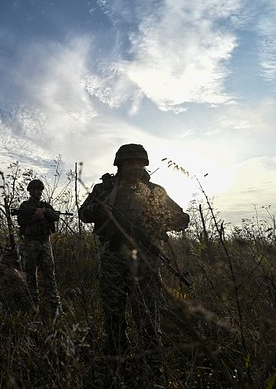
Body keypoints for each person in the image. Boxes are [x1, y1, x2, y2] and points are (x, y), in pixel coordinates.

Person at [78, 144, 189, 385]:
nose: (136, 167)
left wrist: (156, 219)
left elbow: (182, 219)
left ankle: (153, 369)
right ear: (120, 164)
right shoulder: (105, 188)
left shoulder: (154, 191)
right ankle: (118, 365)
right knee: (112, 315)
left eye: (140, 163)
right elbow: (83, 213)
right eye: (131, 163)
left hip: (145, 260)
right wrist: (101, 210)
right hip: (112, 258)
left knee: (148, 316)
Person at [16, 179, 62, 318]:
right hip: (30, 243)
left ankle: (54, 305)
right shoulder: (25, 206)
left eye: (40, 190)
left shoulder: (45, 205)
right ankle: (33, 304)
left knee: (49, 274)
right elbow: (20, 221)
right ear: (30, 191)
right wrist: (35, 216)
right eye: (36, 190)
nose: (39, 192)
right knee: (30, 274)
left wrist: (45, 211)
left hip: (45, 242)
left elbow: (56, 217)